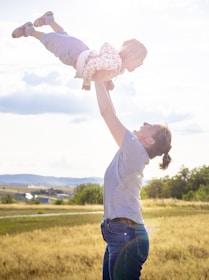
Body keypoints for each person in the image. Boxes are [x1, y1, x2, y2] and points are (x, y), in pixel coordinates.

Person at [93, 77, 172, 280]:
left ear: (149, 140)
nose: (144, 122)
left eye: (150, 125)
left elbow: (107, 114)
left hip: (127, 235)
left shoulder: (135, 150)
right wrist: (105, 87)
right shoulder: (131, 150)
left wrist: (97, 78)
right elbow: (113, 114)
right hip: (119, 233)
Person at [11, 11, 147, 91]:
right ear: (130, 55)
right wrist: (87, 82)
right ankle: (30, 30)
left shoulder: (118, 67)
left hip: (81, 50)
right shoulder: (114, 62)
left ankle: (50, 20)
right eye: (140, 61)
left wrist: (108, 80)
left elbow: (101, 67)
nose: (141, 65)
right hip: (74, 56)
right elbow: (93, 66)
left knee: (63, 38)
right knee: (53, 42)